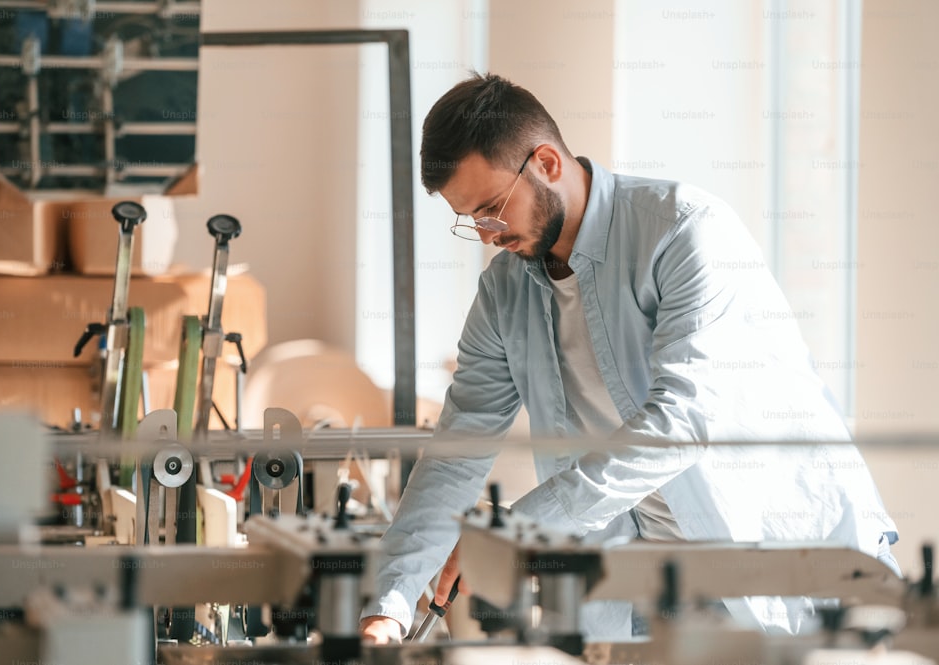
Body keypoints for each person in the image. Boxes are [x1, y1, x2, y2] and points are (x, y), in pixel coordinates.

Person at [359, 72, 899, 643]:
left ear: (546, 162)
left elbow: (679, 422)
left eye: (492, 208)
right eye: (469, 219)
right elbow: (456, 454)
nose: (486, 233)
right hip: (638, 594)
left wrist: (518, 530)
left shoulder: (685, 232)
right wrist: (388, 607)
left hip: (780, 569)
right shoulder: (503, 292)